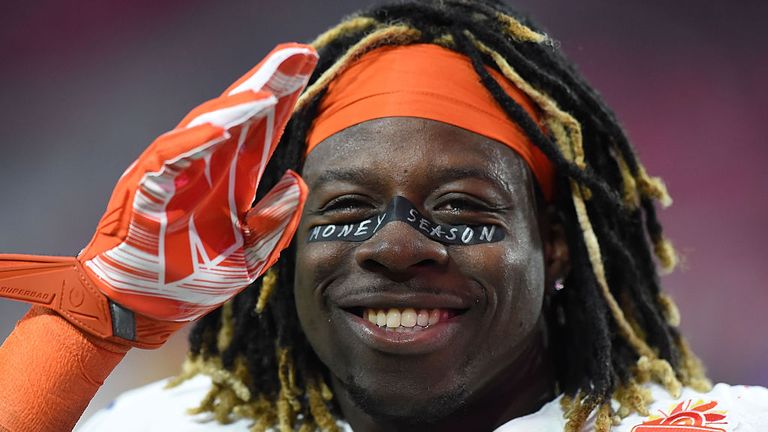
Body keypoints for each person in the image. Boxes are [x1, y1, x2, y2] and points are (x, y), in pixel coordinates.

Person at [0, 1, 766, 431]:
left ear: (556, 246)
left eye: (462, 206)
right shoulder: (176, 428)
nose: (396, 245)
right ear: (284, 248)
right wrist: (85, 332)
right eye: (346, 209)